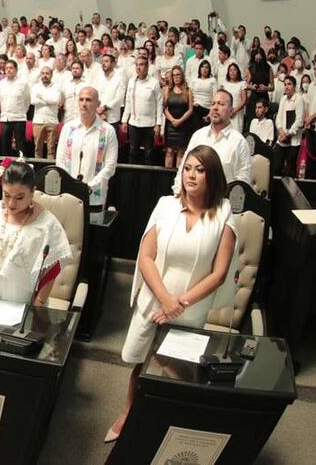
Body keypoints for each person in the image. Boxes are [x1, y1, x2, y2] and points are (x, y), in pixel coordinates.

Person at [107, 145, 237, 443]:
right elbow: (146, 256)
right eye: (188, 168)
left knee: (177, 368)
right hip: (155, 299)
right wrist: (166, 300)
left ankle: (167, 424)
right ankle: (128, 413)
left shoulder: (223, 214)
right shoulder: (166, 205)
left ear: (212, 175)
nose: (191, 175)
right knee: (141, 363)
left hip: (191, 307)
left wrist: (179, 304)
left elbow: (218, 273)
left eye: (200, 170)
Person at [0, 159, 72, 302]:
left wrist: (37, 306)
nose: (11, 203)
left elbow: (52, 269)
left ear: (32, 191)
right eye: (6, 195)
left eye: (19, 197)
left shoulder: (46, 225)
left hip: (24, 304)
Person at [174, 90, 251, 191]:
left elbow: (243, 182)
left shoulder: (239, 142)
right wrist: (178, 194)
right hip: (193, 201)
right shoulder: (198, 136)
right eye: (213, 103)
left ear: (231, 110)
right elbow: (183, 170)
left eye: (221, 104)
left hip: (222, 202)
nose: (215, 107)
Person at [123, 56, 163, 165]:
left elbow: (160, 104)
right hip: (133, 123)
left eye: (141, 65)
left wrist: (158, 124)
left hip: (149, 124)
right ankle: (131, 179)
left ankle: (147, 180)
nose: (138, 67)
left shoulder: (154, 83)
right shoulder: (131, 81)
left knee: (148, 153)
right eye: (137, 65)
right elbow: (128, 101)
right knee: (132, 151)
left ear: (147, 67)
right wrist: (124, 120)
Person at [162, 66, 194, 169]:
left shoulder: (188, 90)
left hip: (183, 125)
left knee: (181, 152)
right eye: (174, 75)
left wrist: (180, 121)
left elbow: (190, 110)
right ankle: (167, 179)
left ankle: (178, 179)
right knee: (169, 152)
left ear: (182, 76)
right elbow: (164, 108)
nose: (176, 77)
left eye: (178, 74)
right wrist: (172, 120)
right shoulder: (167, 89)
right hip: (170, 125)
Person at [0, 59, 30, 156]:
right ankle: (5, 168)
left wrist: (21, 112)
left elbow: (27, 100)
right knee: (5, 146)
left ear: (16, 70)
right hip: (5, 118)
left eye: (11, 68)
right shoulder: (1, 84)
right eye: (7, 68)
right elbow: (0, 100)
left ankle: (21, 167)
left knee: (20, 147)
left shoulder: (23, 83)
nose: (8, 70)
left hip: (19, 118)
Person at [275, 76, 304, 176]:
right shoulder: (283, 98)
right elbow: (278, 117)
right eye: (285, 84)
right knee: (276, 166)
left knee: (289, 170)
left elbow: (299, 121)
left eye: (289, 84)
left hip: (293, 141)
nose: (286, 87)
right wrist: (281, 131)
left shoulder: (298, 99)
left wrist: (288, 133)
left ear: (294, 86)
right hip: (282, 138)